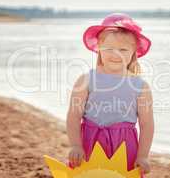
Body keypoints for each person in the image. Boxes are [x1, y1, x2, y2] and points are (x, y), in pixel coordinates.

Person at [66, 13, 154, 177]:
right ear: (99, 47)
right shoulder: (86, 80)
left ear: (134, 51)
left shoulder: (140, 87)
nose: (116, 54)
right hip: (90, 142)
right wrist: (76, 146)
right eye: (109, 49)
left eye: (123, 49)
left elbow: (147, 125)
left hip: (125, 146)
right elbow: (73, 116)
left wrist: (143, 156)